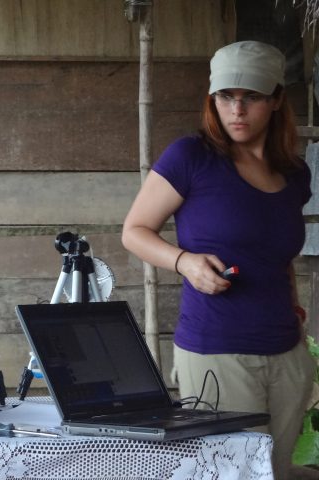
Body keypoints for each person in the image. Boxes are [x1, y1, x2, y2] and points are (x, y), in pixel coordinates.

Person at [121, 40, 315, 480]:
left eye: (252, 97)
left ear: (277, 100)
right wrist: (185, 261)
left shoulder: (294, 173)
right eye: (226, 97)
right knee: (233, 476)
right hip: (217, 352)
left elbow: (278, 255)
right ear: (214, 99)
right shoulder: (192, 157)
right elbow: (134, 231)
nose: (237, 110)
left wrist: (296, 314)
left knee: (278, 473)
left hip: (286, 354)